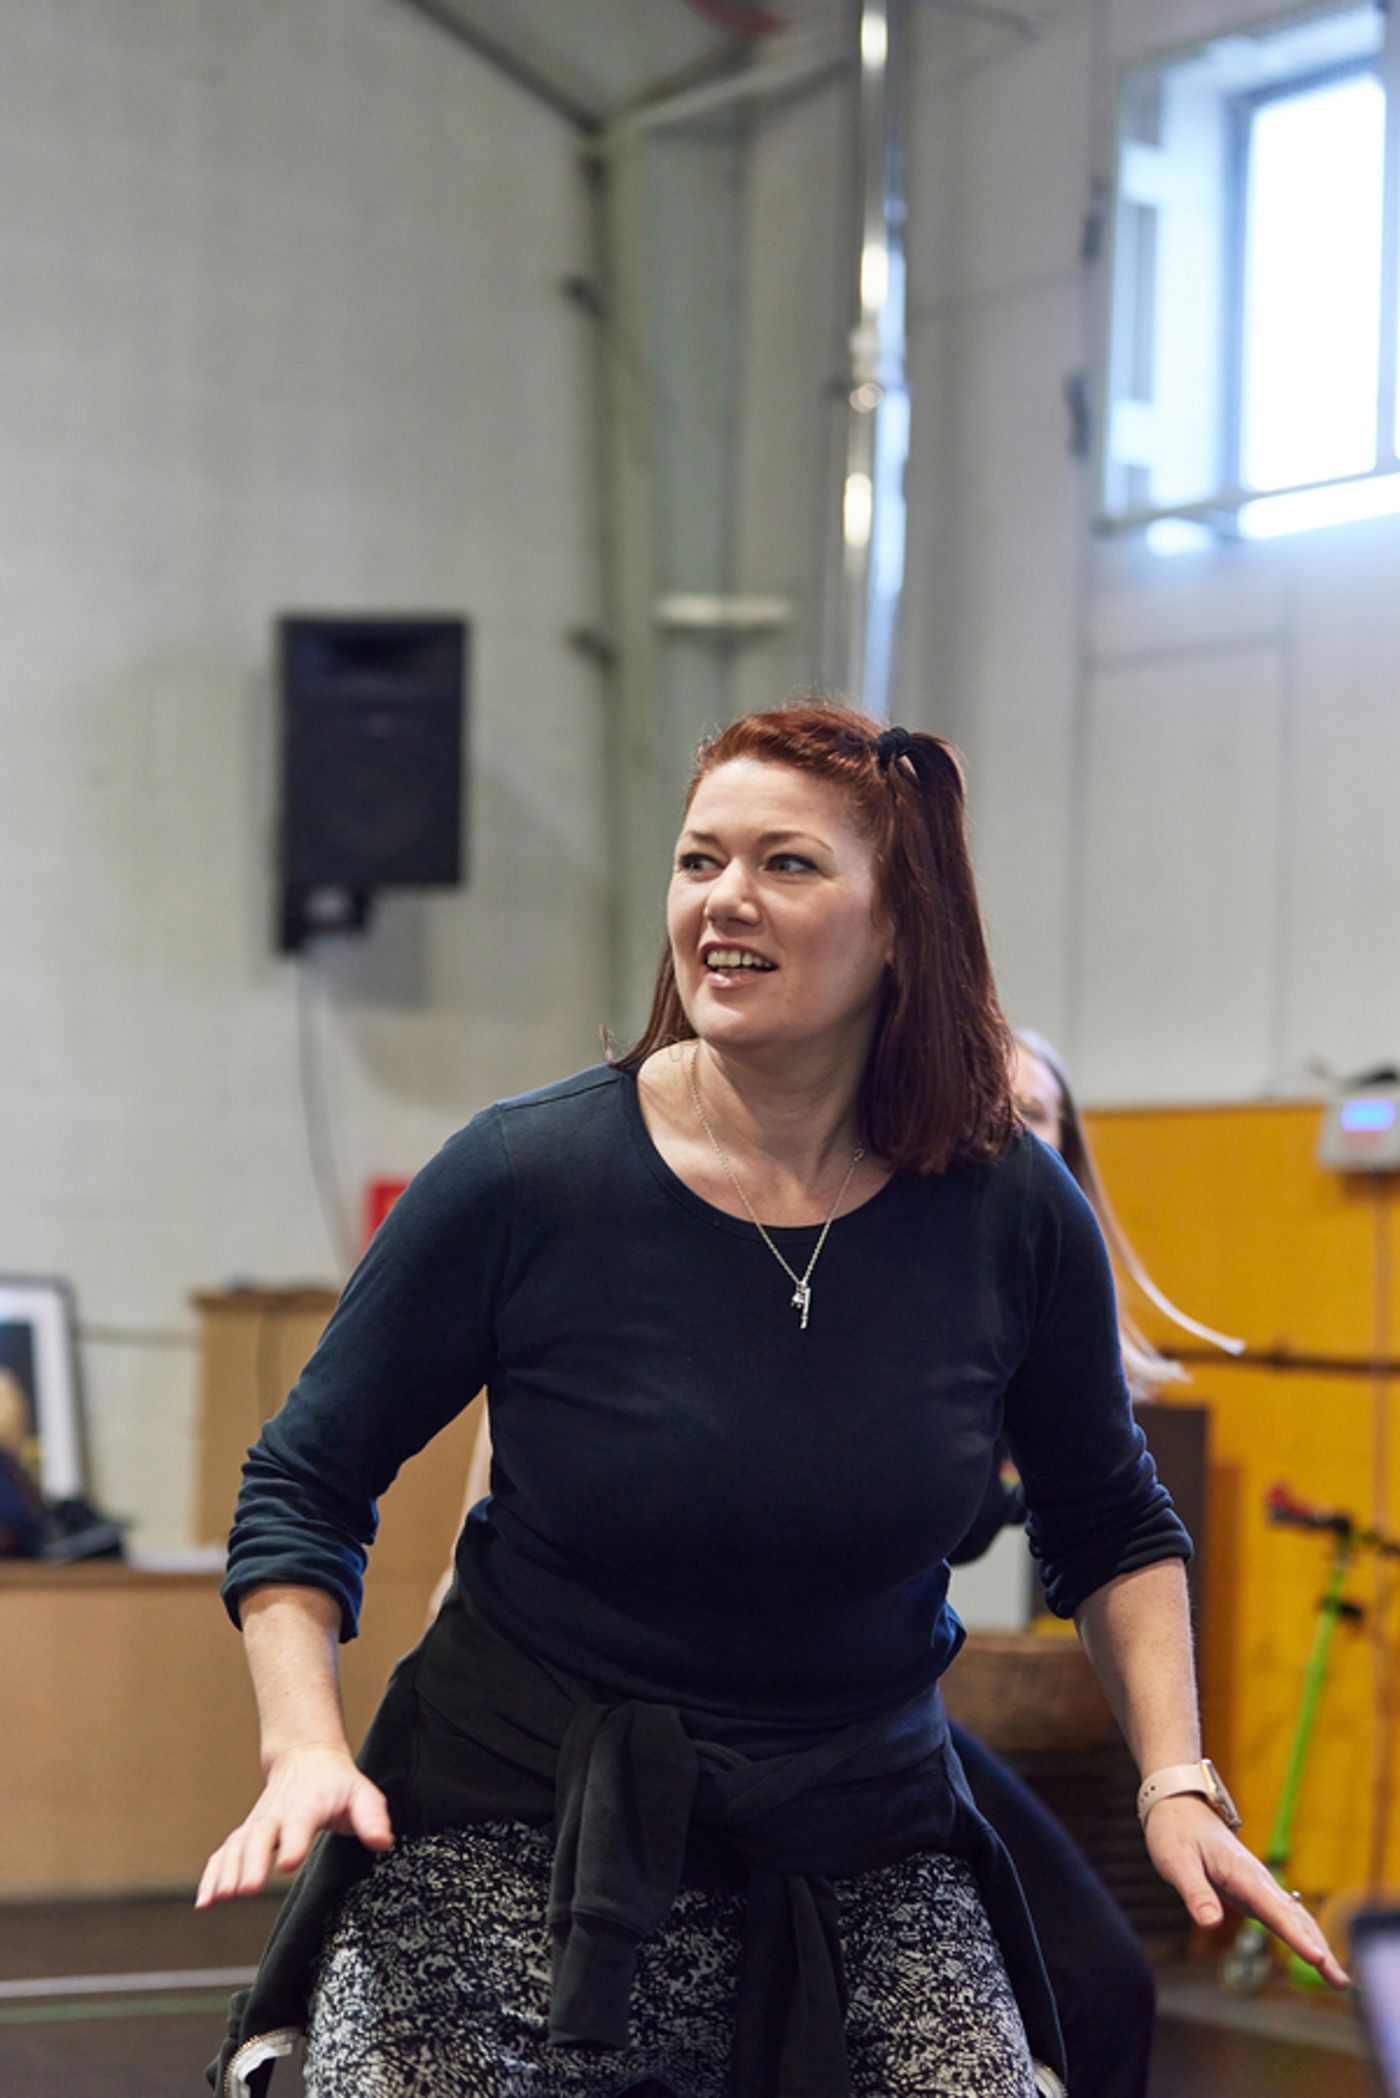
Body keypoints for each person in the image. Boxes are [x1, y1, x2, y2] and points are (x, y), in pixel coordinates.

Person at [199, 703, 1345, 2098]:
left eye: (786, 864)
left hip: (857, 1829)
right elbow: (304, 1482)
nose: (724, 898)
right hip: (519, 1816)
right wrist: (305, 1743)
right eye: (699, 861)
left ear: (901, 924)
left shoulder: (1009, 1208)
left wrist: (1175, 1772)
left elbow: (1110, 1521)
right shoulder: (524, 1175)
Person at [944, 1029, 1245, 2098]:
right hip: (741, 1719)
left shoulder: (1035, 1338)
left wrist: (1178, 1785)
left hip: (881, 1717)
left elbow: (1110, 1531)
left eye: (1034, 1117)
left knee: (1103, 1987)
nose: (1006, 1134)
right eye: (988, 1104)